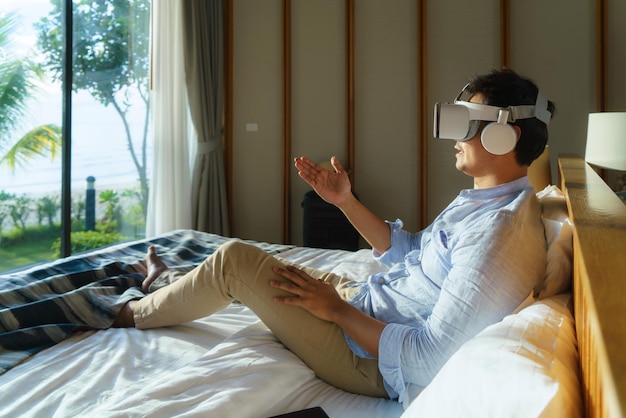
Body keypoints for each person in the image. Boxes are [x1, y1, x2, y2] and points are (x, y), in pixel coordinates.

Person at [112, 68, 555, 403]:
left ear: (503, 135)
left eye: (466, 124)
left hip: (368, 359)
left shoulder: (497, 232)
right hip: (369, 303)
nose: (452, 137)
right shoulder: (487, 202)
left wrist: (337, 311)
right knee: (265, 275)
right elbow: (411, 253)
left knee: (236, 261)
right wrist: (344, 200)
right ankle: (166, 283)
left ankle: (126, 313)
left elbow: (427, 358)